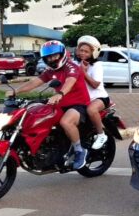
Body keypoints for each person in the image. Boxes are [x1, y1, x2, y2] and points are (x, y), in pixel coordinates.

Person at [15, 40, 91, 169]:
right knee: (40, 117)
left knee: (66, 122)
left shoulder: (71, 67)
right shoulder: (50, 71)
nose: (51, 59)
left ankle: (79, 150)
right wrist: (15, 91)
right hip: (60, 104)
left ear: (62, 54)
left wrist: (60, 94)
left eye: (54, 56)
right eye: (48, 57)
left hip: (78, 104)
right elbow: (35, 82)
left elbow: (70, 81)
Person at [75, 35, 109, 151]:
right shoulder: (75, 64)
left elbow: (95, 84)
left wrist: (83, 72)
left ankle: (101, 135)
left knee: (91, 110)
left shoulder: (96, 65)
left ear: (93, 53)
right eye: (81, 50)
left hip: (99, 98)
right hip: (82, 99)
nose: (83, 53)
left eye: (86, 51)